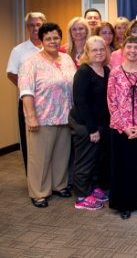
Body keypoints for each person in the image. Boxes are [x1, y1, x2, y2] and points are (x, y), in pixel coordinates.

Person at [18, 22, 77, 208]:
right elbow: (26, 91)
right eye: (48, 38)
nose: (52, 41)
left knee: (61, 155)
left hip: (65, 117)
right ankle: (39, 192)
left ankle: (59, 185)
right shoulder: (31, 62)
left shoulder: (66, 58)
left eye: (56, 38)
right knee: (40, 158)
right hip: (42, 117)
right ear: (42, 40)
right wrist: (31, 116)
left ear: (60, 39)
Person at [107, 36, 137, 220]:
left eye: (136, 47)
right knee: (121, 166)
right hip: (120, 129)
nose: (133, 51)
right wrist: (125, 127)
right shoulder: (115, 74)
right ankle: (123, 204)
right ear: (123, 49)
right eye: (129, 47)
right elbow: (112, 103)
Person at [70, 36, 111, 210]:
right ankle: (81, 196)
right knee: (85, 161)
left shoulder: (107, 70)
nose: (99, 52)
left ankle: (92, 189)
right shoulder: (84, 71)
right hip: (86, 125)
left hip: (101, 125)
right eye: (94, 50)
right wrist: (92, 129)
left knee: (96, 160)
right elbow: (81, 102)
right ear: (87, 52)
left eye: (101, 49)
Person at [6, 12, 46, 171]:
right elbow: (11, 74)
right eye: (32, 25)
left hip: (50, 103)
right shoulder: (19, 50)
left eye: (38, 24)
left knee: (48, 143)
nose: (35, 28)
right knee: (31, 143)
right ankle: (33, 180)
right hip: (29, 103)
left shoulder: (52, 46)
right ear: (27, 27)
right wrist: (27, 90)